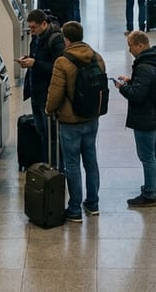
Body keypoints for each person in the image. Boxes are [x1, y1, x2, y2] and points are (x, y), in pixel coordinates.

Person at [45, 21, 105, 222]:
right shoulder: (97, 57)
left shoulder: (63, 62)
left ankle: (74, 209)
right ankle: (93, 203)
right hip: (92, 118)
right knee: (91, 160)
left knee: (72, 164)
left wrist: (49, 109)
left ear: (66, 39)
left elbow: (55, 93)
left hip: (70, 121)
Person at [116, 31, 156, 208]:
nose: (129, 50)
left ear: (139, 45)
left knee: (147, 156)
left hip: (146, 117)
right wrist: (132, 80)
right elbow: (149, 85)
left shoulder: (144, 67)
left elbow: (137, 96)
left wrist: (123, 87)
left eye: (130, 46)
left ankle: (149, 194)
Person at [16, 9, 63, 163]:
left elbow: (58, 68)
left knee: (51, 135)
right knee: (41, 131)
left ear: (44, 23)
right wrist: (29, 60)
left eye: (34, 27)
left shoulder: (56, 40)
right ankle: (46, 164)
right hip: (36, 93)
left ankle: (54, 167)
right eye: (30, 28)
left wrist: (35, 63)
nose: (32, 31)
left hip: (47, 94)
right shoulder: (36, 38)